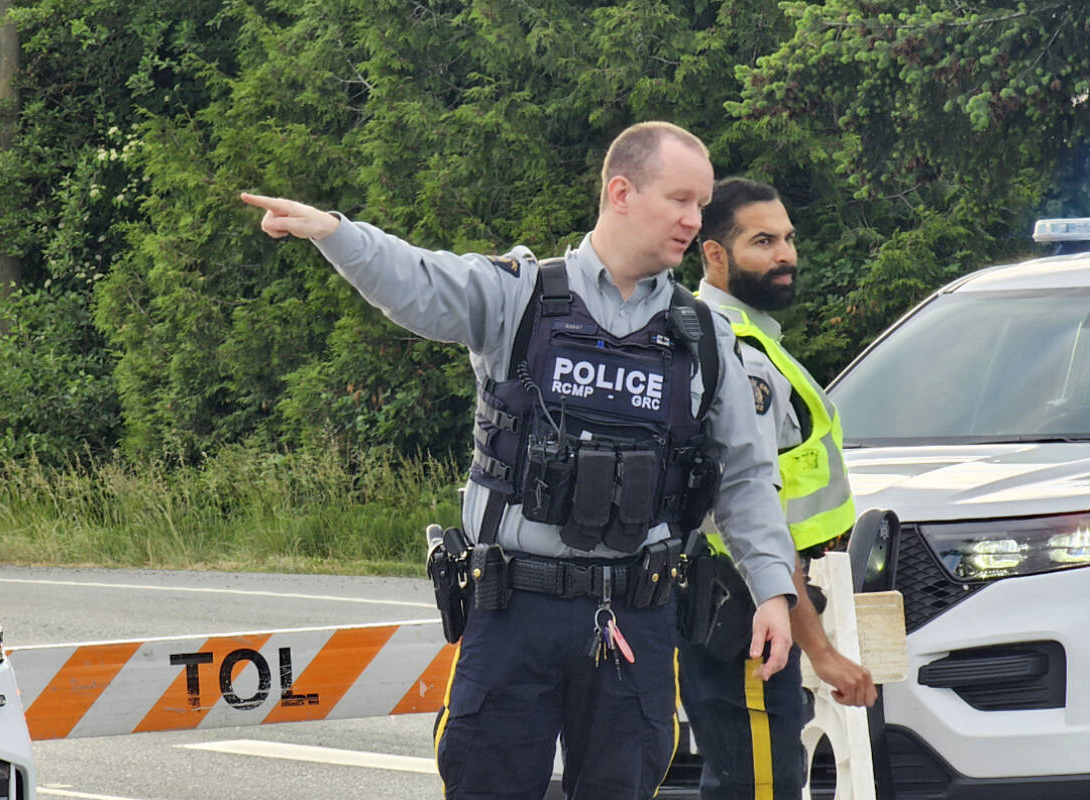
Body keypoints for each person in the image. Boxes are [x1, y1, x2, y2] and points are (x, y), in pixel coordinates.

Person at [241, 121, 798, 800]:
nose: (694, 220)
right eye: (680, 200)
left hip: (635, 617)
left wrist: (772, 588)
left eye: (701, 204)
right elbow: (419, 279)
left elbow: (743, 477)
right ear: (621, 192)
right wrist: (335, 231)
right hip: (514, 613)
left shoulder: (703, 337)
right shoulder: (521, 296)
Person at [678, 176, 878, 800]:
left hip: (751, 609)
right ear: (715, 254)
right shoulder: (738, 354)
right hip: (746, 614)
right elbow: (751, 519)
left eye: (788, 238)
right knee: (761, 788)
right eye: (763, 241)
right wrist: (822, 652)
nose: (786, 255)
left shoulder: (744, 335)